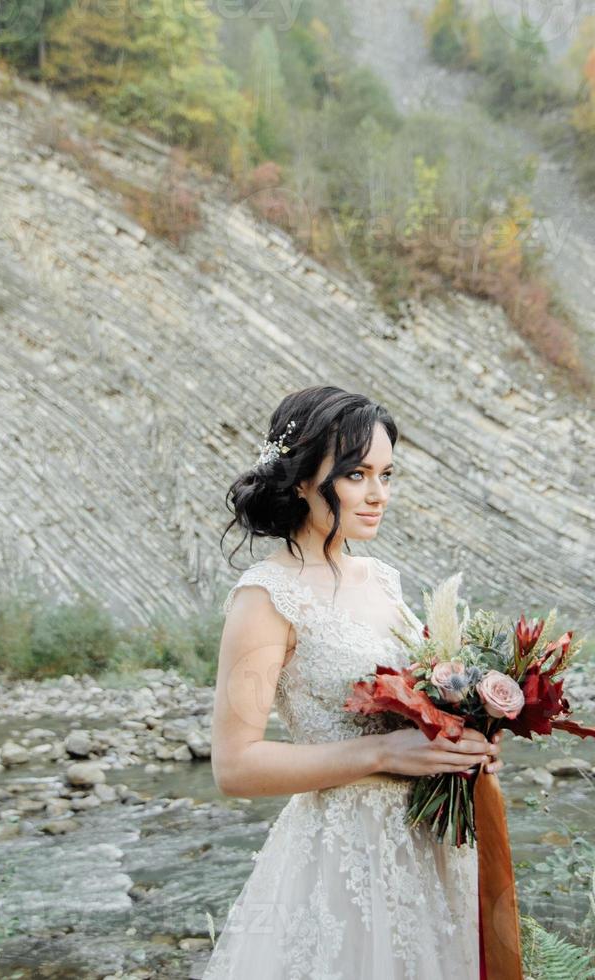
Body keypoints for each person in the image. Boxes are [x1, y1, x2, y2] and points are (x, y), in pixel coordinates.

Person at [201, 385, 504, 980]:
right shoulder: (267, 598)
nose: (378, 494)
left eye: (387, 474)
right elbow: (234, 767)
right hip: (345, 857)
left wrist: (471, 739)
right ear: (301, 479)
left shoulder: (382, 579)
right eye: (357, 474)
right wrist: (385, 752)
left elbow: (421, 705)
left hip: (432, 847)